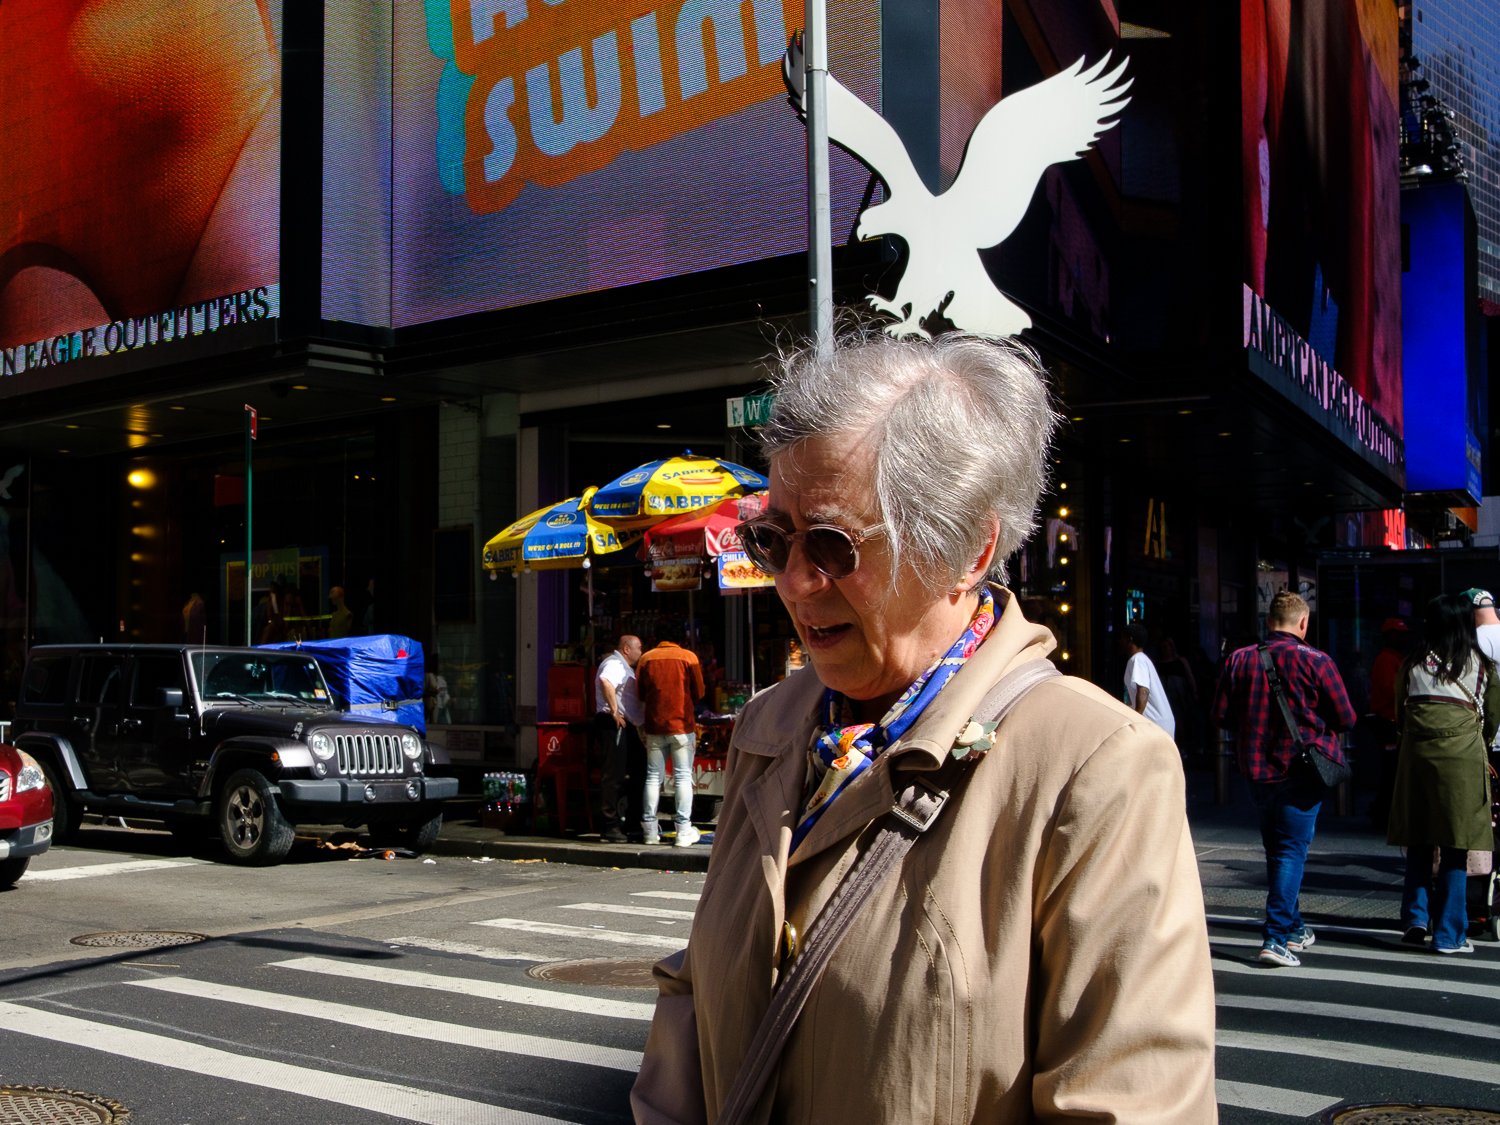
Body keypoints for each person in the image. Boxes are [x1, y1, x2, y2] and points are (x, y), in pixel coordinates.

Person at [631, 334, 1216, 1123]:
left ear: (967, 550)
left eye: (833, 544)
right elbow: (697, 989)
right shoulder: (771, 724)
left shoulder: (1097, 766)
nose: (795, 582)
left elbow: (1132, 1102)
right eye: (772, 539)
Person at [1211, 590, 1357, 968]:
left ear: (1268, 620)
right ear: (1303, 623)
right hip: (1302, 770)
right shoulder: (1318, 660)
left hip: (1256, 770)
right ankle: (1276, 937)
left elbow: (1221, 715)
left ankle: (1293, 926)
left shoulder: (1238, 660)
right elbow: (1346, 717)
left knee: (1277, 849)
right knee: (1291, 851)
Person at [1387, 592, 1500, 954]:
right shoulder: (1481, 666)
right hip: (1463, 759)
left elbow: (1399, 714)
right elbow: (1492, 720)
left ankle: (1415, 918)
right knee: (1455, 845)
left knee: (1419, 839)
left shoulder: (1413, 663)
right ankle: (1450, 934)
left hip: (1417, 759)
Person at [635, 622, 706, 847]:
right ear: (680, 638)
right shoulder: (688, 657)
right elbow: (700, 691)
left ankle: (649, 830)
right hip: (682, 726)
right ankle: (683, 830)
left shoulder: (646, 658)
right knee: (683, 776)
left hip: (655, 725)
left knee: (653, 777)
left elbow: (640, 693)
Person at [594, 634, 644, 843]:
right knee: (613, 775)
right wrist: (615, 711)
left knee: (638, 770)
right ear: (626, 649)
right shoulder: (614, 664)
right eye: (639, 648)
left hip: (628, 724)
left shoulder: (625, 667)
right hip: (614, 724)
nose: (641, 652)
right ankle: (610, 825)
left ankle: (632, 821)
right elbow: (606, 682)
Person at [1121, 621, 1176, 739]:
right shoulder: (1142, 659)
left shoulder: (1137, 660)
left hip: (1155, 725)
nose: (1120, 642)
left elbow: (1143, 691)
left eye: (1123, 638)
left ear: (1129, 639)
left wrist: (1136, 720)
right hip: (1158, 724)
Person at [425, 653, 452, 726]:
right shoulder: (428, 676)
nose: (442, 666)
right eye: (440, 664)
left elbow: (445, 693)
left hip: (442, 707)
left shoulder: (442, 679)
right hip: (432, 707)